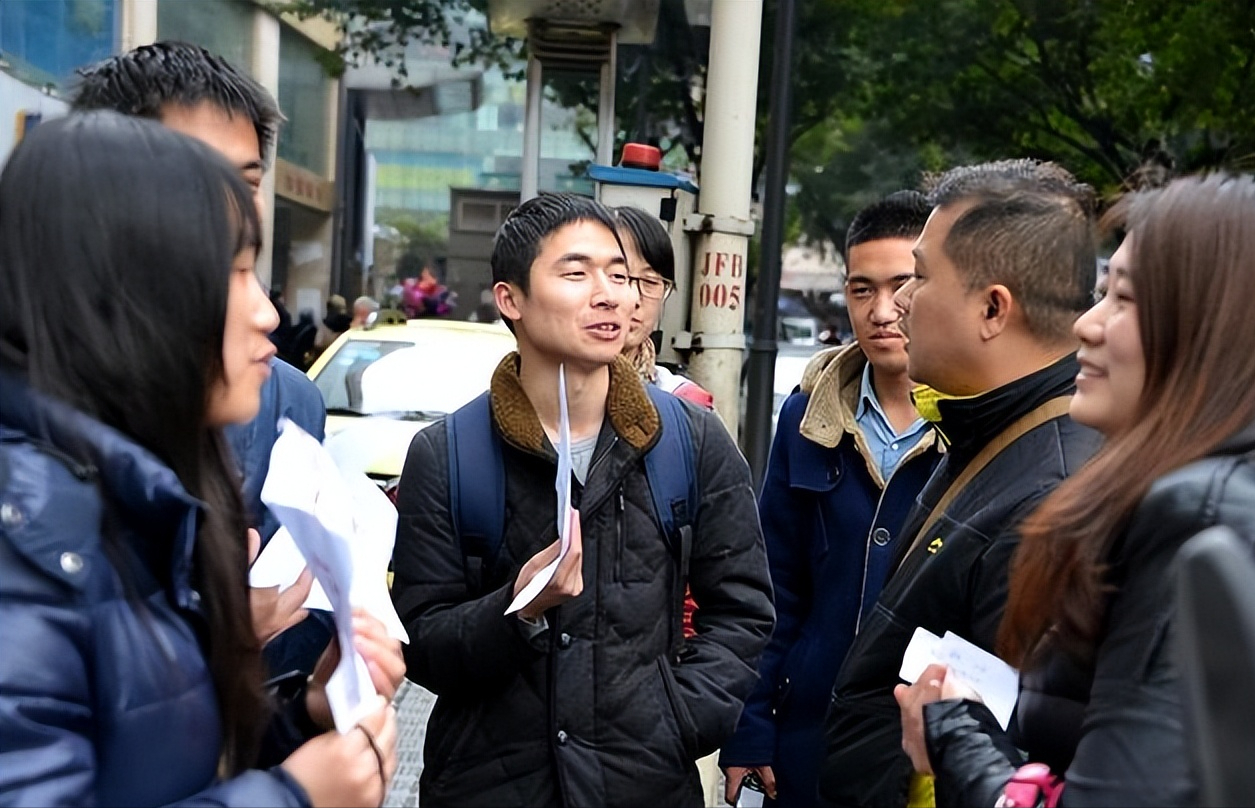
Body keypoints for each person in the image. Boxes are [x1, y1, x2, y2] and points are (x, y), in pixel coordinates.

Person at [0, 111, 397, 807]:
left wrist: (301, 723)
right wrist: (294, 799)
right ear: (123, 295)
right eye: (235, 272)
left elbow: (151, 770)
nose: (268, 313)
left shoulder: (129, 500)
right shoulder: (27, 542)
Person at [895, 172, 1255, 807]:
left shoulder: (1198, 516)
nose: (1087, 326)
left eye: (1123, 300)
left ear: (1213, 327)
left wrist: (952, 733)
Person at [391, 192, 775, 806]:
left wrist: (678, 717)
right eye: (576, 273)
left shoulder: (689, 441)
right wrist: (519, 611)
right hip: (488, 786)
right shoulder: (448, 453)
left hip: (645, 784)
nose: (611, 295)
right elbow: (419, 641)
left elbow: (744, 609)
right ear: (510, 299)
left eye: (620, 276)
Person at [819, 160, 1104, 808]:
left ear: (993, 308)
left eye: (919, 276)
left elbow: (1013, 764)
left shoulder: (1051, 500)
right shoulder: (987, 426)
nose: (899, 306)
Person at [72, 41, 332, 664]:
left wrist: (311, 715)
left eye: (247, 180)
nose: (230, 207)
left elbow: (297, 614)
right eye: (194, 173)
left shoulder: (286, 398)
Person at [719, 191, 942, 808]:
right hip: (810, 733)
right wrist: (750, 726)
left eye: (904, 285)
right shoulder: (805, 418)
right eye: (861, 289)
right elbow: (771, 589)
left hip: (930, 742)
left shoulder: (974, 425)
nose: (882, 310)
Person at [614, 206, 714, 408]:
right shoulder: (544, 393)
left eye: (650, 282)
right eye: (618, 277)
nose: (634, 298)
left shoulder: (686, 406)